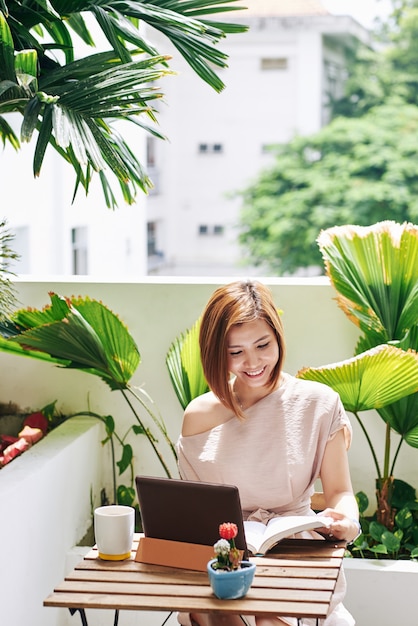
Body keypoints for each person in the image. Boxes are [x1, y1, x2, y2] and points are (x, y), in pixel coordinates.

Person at [176, 280, 360, 626]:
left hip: (295, 550)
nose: (253, 362)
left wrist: (347, 521)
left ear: (278, 337)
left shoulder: (318, 403)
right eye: (236, 352)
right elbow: (194, 510)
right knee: (209, 608)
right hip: (225, 554)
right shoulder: (198, 416)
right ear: (217, 352)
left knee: (272, 618)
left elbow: (340, 492)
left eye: (263, 345)